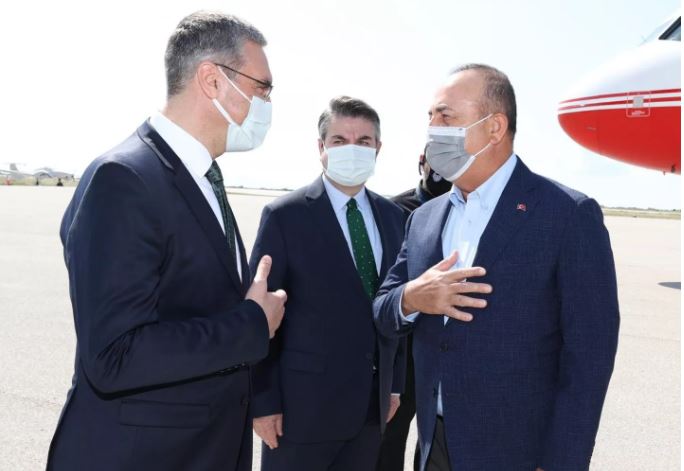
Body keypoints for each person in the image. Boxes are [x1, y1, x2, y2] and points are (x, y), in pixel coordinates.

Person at [47, 12, 286, 471]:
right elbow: (114, 355)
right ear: (212, 80)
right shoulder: (124, 179)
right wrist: (252, 323)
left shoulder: (201, 177)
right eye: (262, 88)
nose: (267, 103)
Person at [373, 64, 619, 471]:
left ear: (494, 127)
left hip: (518, 454)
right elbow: (384, 309)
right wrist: (413, 297)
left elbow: (589, 358)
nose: (433, 129)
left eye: (446, 116)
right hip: (434, 447)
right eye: (430, 117)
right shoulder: (424, 219)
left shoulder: (567, 215)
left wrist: (561, 462)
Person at [250, 96, 407, 471]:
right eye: (339, 140)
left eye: (363, 141)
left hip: (370, 411)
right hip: (300, 414)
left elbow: (398, 305)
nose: (352, 149)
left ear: (378, 148)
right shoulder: (285, 216)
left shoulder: (395, 218)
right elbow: (259, 315)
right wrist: (264, 401)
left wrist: (394, 384)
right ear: (321, 147)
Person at [377, 150, 452, 471]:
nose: (441, 170)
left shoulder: (466, 210)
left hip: (445, 350)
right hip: (402, 351)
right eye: (435, 160)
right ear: (422, 161)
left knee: (435, 440)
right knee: (389, 440)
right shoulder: (396, 210)